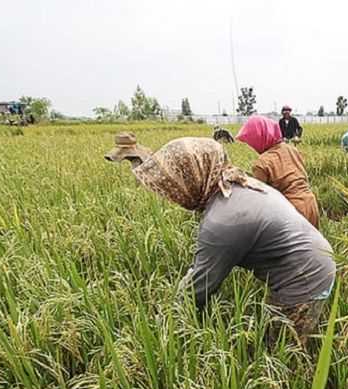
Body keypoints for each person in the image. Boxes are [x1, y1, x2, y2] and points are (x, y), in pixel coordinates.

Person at [132, 137, 336, 343]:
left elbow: (199, 288)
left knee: (280, 348)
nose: (173, 197)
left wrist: (164, 322)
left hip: (305, 278)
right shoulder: (241, 183)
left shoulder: (222, 221)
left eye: (174, 188)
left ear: (191, 179)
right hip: (316, 259)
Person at [236, 115, 321, 228]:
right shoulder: (291, 149)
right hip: (310, 204)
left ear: (260, 138)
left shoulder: (262, 162)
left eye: (253, 142)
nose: (253, 147)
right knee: (312, 244)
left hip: (291, 211)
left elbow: (258, 197)